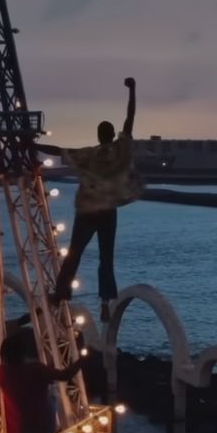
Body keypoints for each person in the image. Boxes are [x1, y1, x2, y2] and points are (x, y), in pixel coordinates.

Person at [37, 78, 141, 321]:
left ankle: (60, 294)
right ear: (112, 134)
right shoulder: (118, 150)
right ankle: (105, 303)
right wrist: (132, 91)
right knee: (106, 257)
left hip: (86, 211)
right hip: (107, 211)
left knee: (74, 253)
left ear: (97, 134)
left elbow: (60, 150)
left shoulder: (88, 154)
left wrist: (33, 144)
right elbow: (130, 117)